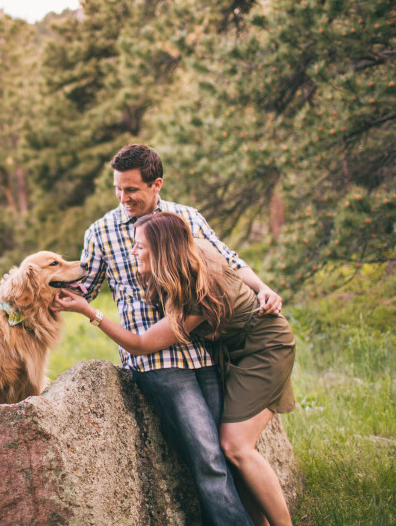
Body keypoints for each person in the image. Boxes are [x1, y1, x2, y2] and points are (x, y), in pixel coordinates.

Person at [58, 144, 282, 526]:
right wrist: (30, 291)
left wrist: (263, 287)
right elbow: (85, 288)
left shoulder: (186, 217)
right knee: (208, 458)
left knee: (228, 451)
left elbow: (228, 260)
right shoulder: (101, 232)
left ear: (156, 184)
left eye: (132, 190)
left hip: (205, 352)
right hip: (157, 362)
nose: (123, 198)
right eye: (118, 189)